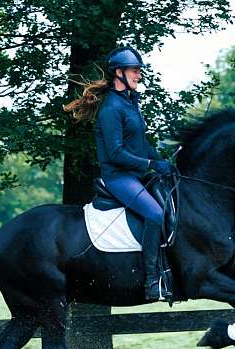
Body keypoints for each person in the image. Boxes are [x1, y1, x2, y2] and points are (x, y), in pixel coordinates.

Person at [64, 46, 172, 301]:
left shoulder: (130, 103)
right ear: (119, 73)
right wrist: (150, 164)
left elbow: (142, 144)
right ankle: (152, 281)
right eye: (135, 71)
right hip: (119, 178)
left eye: (138, 71)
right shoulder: (112, 107)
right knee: (155, 214)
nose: (139, 76)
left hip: (136, 174)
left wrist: (162, 161)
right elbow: (116, 153)